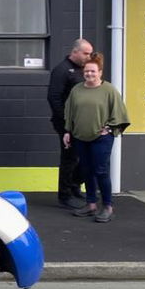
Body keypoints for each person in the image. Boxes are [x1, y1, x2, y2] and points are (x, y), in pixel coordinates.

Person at [62, 53, 130, 222]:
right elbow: (69, 112)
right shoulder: (77, 90)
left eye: (93, 71)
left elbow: (120, 113)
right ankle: (91, 204)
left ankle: (107, 206)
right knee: (86, 171)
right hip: (80, 136)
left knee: (101, 171)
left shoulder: (109, 90)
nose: (89, 74)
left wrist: (109, 128)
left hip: (101, 138)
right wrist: (67, 131)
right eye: (86, 71)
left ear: (100, 72)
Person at [47, 38, 92, 209]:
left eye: (90, 53)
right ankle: (64, 195)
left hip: (83, 121)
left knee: (86, 156)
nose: (89, 56)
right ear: (75, 52)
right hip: (66, 123)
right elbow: (53, 98)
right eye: (85, 53)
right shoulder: (62, 70)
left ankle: (74, 186)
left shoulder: (84, 70)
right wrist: (66, 122)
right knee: (70, 158)